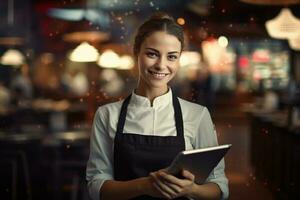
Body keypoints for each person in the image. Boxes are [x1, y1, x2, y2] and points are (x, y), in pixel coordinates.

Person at [86, 12, 228, 200]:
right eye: (152, 54)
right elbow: (96, 186)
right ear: (136, 53)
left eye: (171, 57)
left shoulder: (198, 115)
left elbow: (219, 187)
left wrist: (191, 190)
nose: (161, 65)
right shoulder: (107, 115)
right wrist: (143, 186)